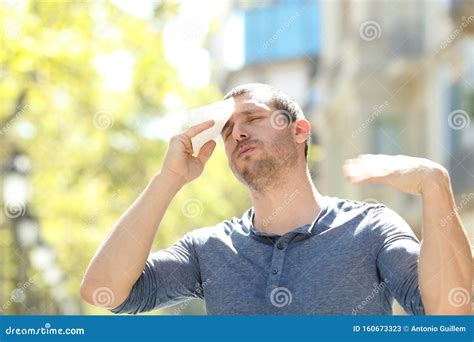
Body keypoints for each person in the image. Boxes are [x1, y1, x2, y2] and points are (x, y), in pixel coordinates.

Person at [80, 83, 472, 315]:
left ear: (300, 131)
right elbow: (104, 290)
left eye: (252, 118)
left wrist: (434, 185)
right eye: (228, 128)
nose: (237, 133)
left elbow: (455, 315)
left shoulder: (371, 229)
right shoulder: (208, 250)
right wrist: (168, 180)